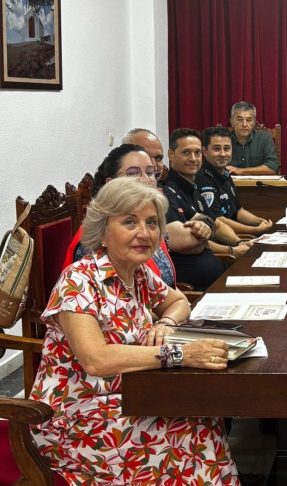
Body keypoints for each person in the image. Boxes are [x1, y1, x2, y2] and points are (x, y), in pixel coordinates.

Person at [30, 178, 240, 484]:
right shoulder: (79, 281)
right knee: (192, 432)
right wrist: (180, 354)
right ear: (103, 230)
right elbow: (96, 360)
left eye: (152, 222)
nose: (144, 232)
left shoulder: (137, 273)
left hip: (132, 396)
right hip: (78, 417)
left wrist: (166, 323)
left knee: (202, 418)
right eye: (130, 222)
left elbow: (178, 301)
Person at [62, 143, 176, 287]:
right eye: (133, 173)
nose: (146, 180)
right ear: (111, 184)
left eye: (150, 172)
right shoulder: (94, 242)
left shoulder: (150, 223)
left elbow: (166, 292)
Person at [163, 128, 251, 290]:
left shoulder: (193, 188)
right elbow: (194, 240)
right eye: (186, 153)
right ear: (171, 155)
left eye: (197, 153)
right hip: (195, 290)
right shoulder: (167, 192)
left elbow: (215, 225)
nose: (193, 158)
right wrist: (232, 250)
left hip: (217, 275)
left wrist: (240, 242)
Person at [197, 126, 274, 235]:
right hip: (220, 238)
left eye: (227, 148)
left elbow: (238, 211)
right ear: (205, 151)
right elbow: (218, 221)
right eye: (217, 149)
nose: (223, 154)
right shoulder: (201, 178)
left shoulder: (226, 174)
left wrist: (260, 221)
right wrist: (254, 230)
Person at [227, 101, 280, 175]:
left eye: (249, 120)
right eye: (240, 119)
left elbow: (273, 167)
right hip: (229, 181)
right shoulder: (224, 139)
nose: (244, 124)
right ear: (232, 121)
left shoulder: (265, 138)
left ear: (254, 122)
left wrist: (241, 171)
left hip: (258, 182)